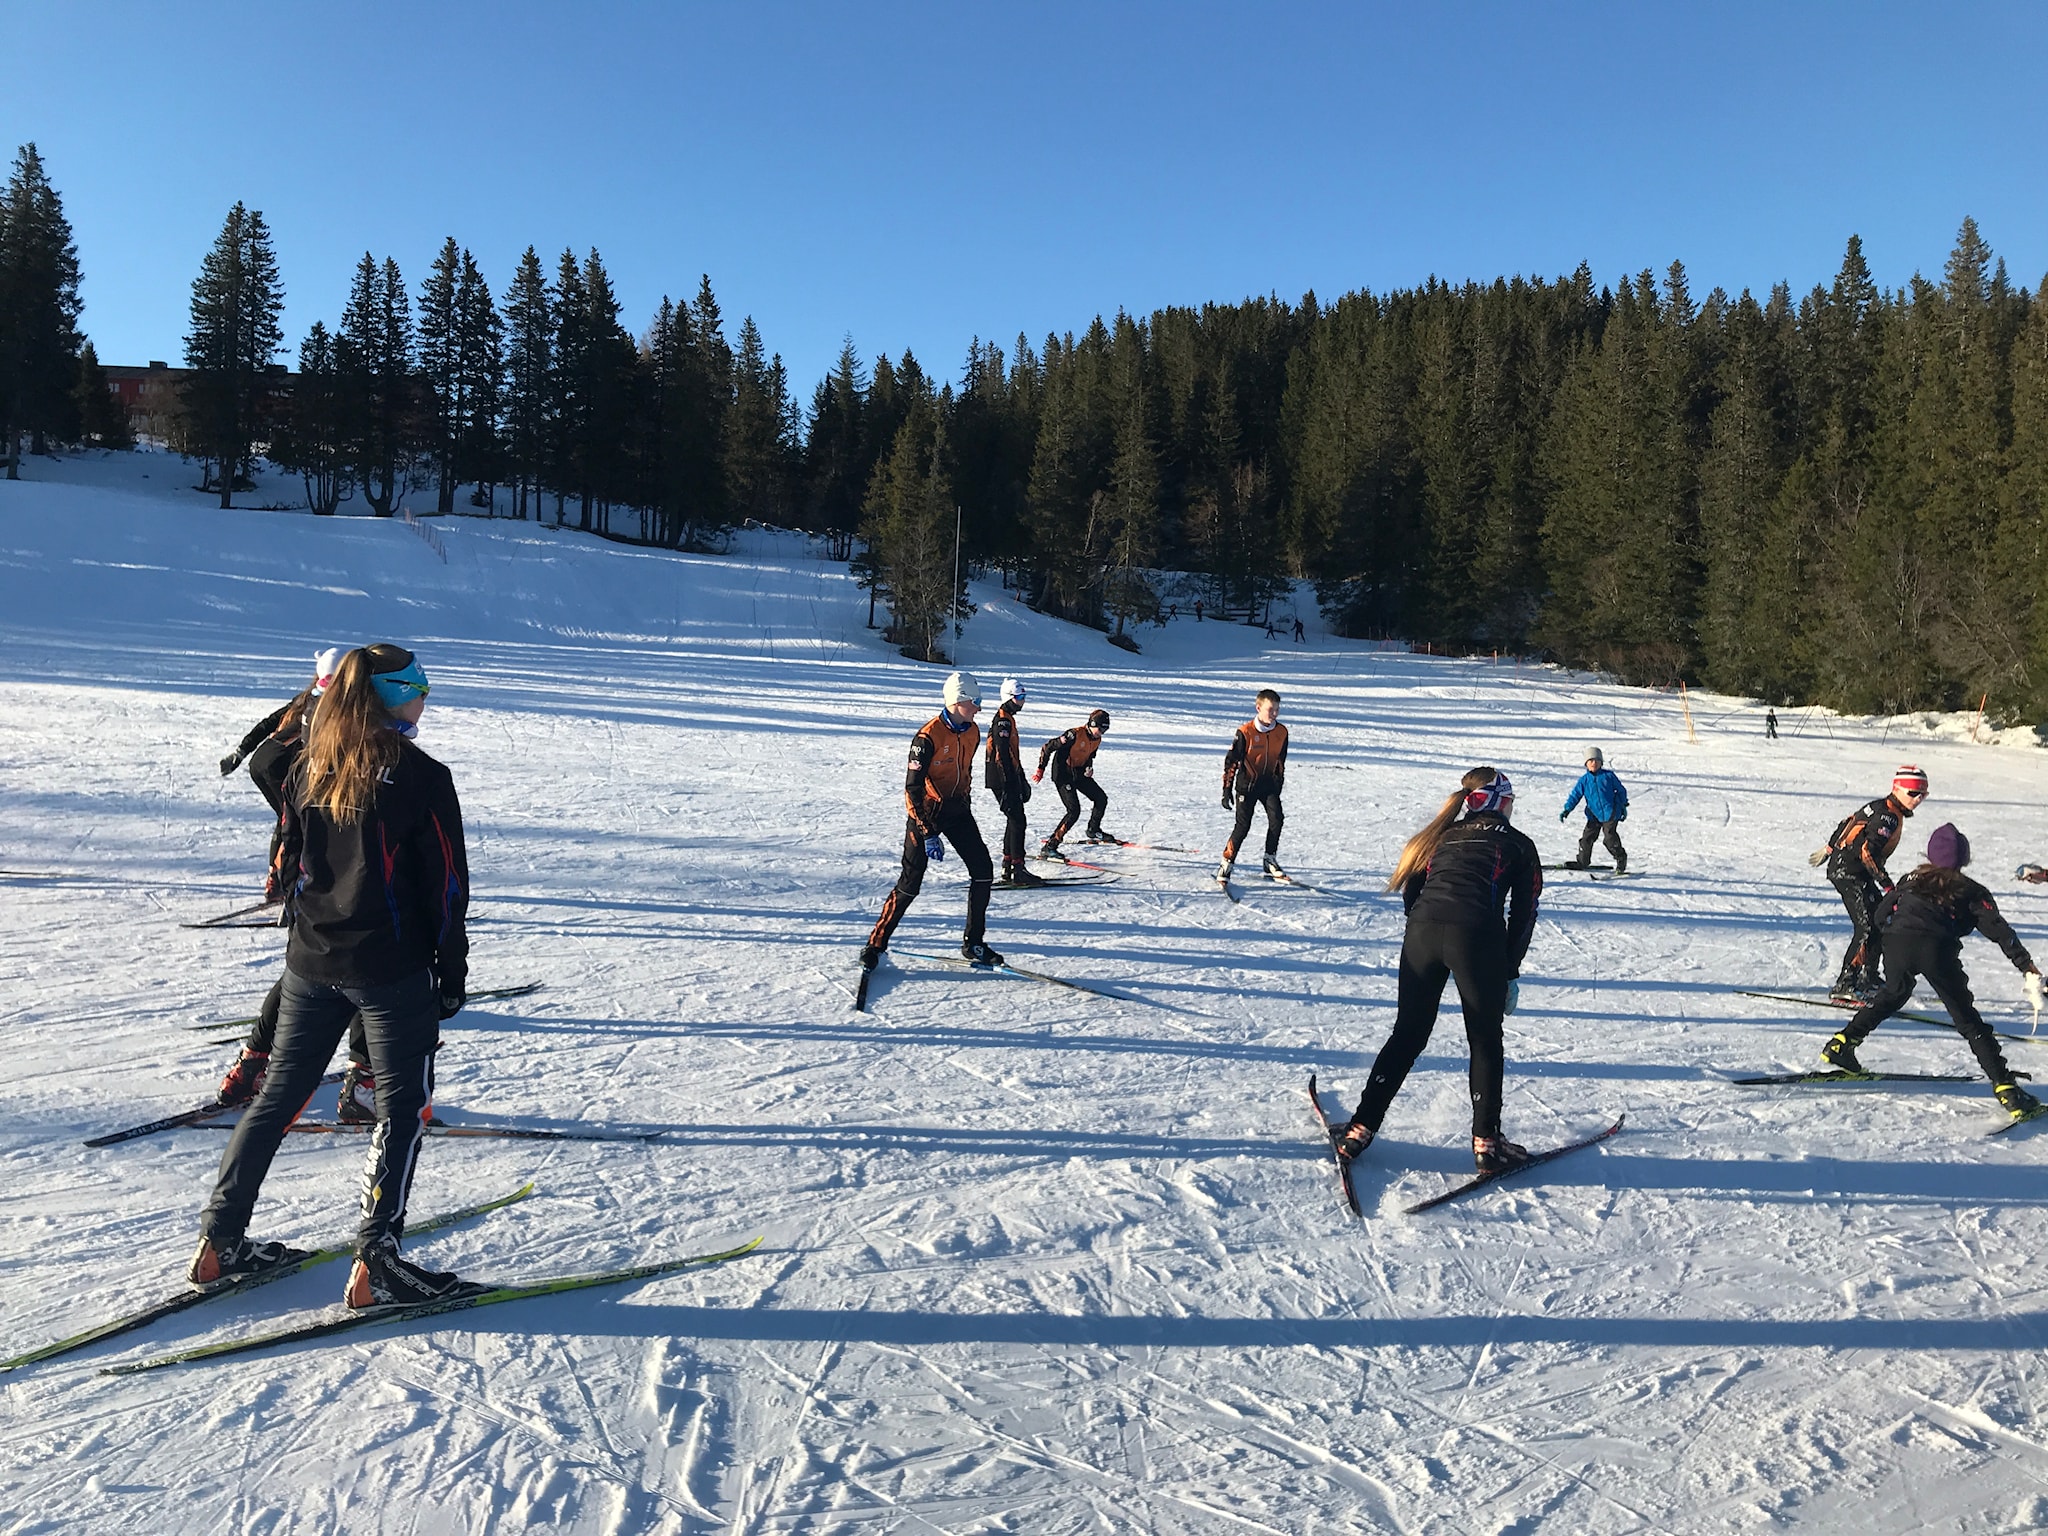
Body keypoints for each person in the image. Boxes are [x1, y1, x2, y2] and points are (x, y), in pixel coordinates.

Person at [190, 644, 472, 1308]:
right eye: (416, 687)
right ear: (389, 698)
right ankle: (379, 1262)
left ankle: (218, 1243)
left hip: (311, 963)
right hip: (389, 971)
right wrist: (451, 969)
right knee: (401, 1111)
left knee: (274, 1102)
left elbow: (286, 837)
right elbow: (448, 887)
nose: (426, 697)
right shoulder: (423, 778)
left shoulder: (305, 765)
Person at [1336, 768, 1542, 1170]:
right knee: (1484, 1041)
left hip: (1422, 935)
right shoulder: (1518, 844)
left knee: (1407, 1036)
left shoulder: (1441, 836)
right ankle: (1487, 1142)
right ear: (1501, 801)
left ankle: (1360, 1128)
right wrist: (1509, 969)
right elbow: (1524, 912)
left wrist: (1430, 927)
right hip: (1477, 939)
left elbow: (1413, 893)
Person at [213, 645, 378, 1123]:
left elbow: (291, 820)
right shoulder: (349, 728)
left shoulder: (315, 710)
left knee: (303, 975)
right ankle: (363, 1083)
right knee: (374, 974)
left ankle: (251, 1066)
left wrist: (288, 880)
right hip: (344, 878)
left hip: (314, 875)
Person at [1821, 824, 2045, 1120]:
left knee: (1893, 993)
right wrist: (2027, 968)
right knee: (1968, 1020)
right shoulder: (1972, 891)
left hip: (1897, 943)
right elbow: (2002, 933)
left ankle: (1842, 1043)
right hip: (1937, 950)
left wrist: (1893, 933)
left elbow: (1879, 914)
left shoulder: (1910, 879)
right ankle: (2005, 1087)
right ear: (1964, 859)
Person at [862, 671, 1002, 970]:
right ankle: (876, 944)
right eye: (974, 702)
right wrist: (926, 831)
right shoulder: (927, 737)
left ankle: (973, 943)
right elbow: (912, 788)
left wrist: (964, 801)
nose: (978, 708)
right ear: (957, 701)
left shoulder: (973, 732)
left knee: (983, 871)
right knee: (911, 883)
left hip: (957, 812)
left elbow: (965, 772)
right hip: (926, 813)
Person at [1821, 766, 1927, 1001]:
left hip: (1854, 871)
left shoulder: (1881, 806)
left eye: (1923, 794)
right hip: (1850, 873)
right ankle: (1846, 983)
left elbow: (1847, 822)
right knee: (1867, 926)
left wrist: (1830, 847)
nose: (1918, 799)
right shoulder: (1888, 816)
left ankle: (1867, 977)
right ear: (1896, 788)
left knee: (1881, 922)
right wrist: (1888, 886)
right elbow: (1867, 852)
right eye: (1913, 793)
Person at [1218, 689, 1288, 883]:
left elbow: (1281, 761)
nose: (1274, 714)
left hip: (1269, 786)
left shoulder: (1281, 732)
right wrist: (1226, 789)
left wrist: (1278, 782)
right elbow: (1231, 762)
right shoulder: (1245, 732)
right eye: (1270, 710)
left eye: (1277, 710)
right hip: (1246, 787)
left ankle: (1270, 859)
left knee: (1277, 819)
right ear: (1258, 708)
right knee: (1243, 826)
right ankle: (1226, 863)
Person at [983, 677, 1042, 887]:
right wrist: (1009, 782)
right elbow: (1001, 754)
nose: (1022, 702)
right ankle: (1018, 868)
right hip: (1001, 777)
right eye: (1019, 697)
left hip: (1008, 775)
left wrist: (1021, 777)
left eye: (1024, 697)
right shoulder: (1003, 721)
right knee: (1018, 819)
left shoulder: (1008, 717)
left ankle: (1009, 864)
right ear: (1009, 697)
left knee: (1014, 817)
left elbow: (1011, 754)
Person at [1034, 709, 1116, 851]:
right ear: (1092, 724)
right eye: (1100, 728)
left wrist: (1089, 768)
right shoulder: (1074, 734)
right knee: (1074, 811)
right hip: (1063, 775)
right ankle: (1051, 845)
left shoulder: (1097, 739)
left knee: (1101, 798)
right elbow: (1048, 747)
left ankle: (1093, 829)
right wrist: (1041, 768)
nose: (1101, 733)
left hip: (1078, 773)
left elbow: (1090, 756)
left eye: (1105, 730)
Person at [1559, 747, 1629, 873]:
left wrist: (1623, 805)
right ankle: (1582, 862)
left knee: (1609, 839)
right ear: (1586, 764)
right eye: (1590, 760)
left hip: (1610, 813)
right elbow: (1575, 795)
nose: (1594, 763)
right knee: (1587, 839)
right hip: (1593, 815)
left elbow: (1621, 791)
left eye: (1597, 760)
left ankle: (1621, 859)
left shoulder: (1609, 776)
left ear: (1601, 762)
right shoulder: (1584, 781)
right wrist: (1567, 809)